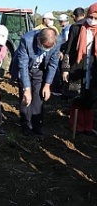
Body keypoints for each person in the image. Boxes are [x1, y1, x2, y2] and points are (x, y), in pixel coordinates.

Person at [11, 28, 60, 137]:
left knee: (38, 97)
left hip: (40, 70)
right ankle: (26, 125)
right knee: (26, 99)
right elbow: (23, 65)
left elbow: (53, 64)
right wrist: (26, 89)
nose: (45, 50)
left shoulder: (57, 42)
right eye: (44, 47)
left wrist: (47, 85)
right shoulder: (26, 40)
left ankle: (37, 125)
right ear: (38, 40)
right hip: (25, 68)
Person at [61, 4, 97, 136]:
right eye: (91, 17)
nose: (92, 20)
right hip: (77, 68)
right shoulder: (76, 28)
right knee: (76, 97)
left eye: (95, 18)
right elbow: (68, 50)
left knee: (90, 99)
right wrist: (65, 69)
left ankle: (88, 127)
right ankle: (76, 126)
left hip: (93, 70)